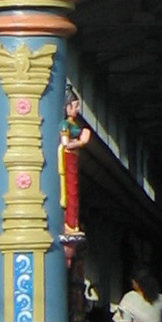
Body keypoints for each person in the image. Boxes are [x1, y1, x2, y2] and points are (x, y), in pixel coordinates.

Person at [58, 91, 91, 240]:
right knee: (71, 190)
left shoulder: (73, 125)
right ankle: (70, 224)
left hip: (73, 158)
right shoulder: (65, 124)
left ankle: (73, 223)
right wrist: (81, 142)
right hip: (68, 156)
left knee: (75, 191)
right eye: (75, 106)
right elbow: (66, 143)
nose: (77, 110)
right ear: (68, 108)